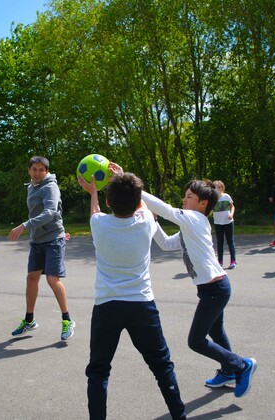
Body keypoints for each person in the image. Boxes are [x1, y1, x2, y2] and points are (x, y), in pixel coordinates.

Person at [78, 164, 186, 420]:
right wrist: (122, 176)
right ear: (138, 202)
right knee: (162, 366)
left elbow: (96, 211)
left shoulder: (99, 224)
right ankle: (180, 416)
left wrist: (93, 192)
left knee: (98, 371)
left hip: (107, 306)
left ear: (108, 201)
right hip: (141, 305)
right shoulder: (146, 221)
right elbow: (142, 204)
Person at [141, 179, 257, 398]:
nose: (184, 200)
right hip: (212, 289)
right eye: (184, 196)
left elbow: (167, 210)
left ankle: (242, 365)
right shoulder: (190, 226)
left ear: (203, 203)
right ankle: (229, 371)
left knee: (196, 341)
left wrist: (136, 190)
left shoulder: (195, 219)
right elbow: (166, 244)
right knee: (216, 331)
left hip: (215, 290)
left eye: (189, 197)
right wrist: (153, 221)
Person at [8, 156, 75, 341]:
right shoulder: (31, 186)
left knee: (52, 279)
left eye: (41, 170)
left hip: (53, 239)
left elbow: (50, 212)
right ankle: (29, 320)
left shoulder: (50, 187)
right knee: (31, 278)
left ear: (46, 172)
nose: (37, 173)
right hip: (37, 240)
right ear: (29, 170)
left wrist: (24, 226)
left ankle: (67, 320)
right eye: (34, 169)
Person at [213, 180, 237, 269]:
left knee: (230, 241)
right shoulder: (213, 198)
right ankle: (220, 261)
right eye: (217, 187)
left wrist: (231, 214)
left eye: (220, 187)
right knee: (219, 242)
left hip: (228, 222)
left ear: (222, 188)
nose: (219, 189)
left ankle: (233, 261)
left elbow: (232, 206)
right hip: (218, 223)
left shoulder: (226, 196)